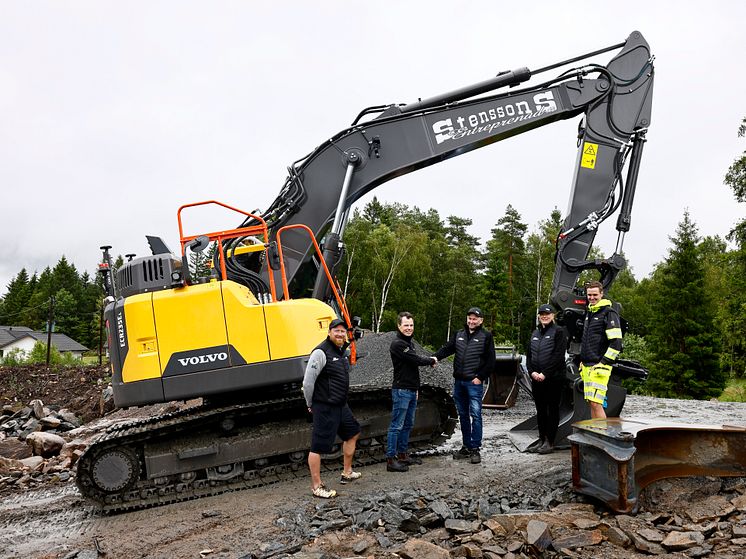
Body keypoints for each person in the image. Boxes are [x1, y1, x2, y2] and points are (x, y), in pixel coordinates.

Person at [302, 318, 362, 498]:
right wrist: (310, 403)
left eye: (343, 331)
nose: (340, 334)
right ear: (329, 333)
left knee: (353, 432)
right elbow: (307, 382)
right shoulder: (321, 352)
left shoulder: (342, 351)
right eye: (336, 330)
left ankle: (347, 472)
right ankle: (317, 487)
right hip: (325, 405)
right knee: (318, 446)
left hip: (340, 404)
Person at [435, 306, 496, 464]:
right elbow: (448, 349)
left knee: (475, 415)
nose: (471, 320)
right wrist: (435, 358)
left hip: (473, 383)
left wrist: (480, 377)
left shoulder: (486, 336)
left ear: (480, 320)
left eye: (475, 318)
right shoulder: (459, 335)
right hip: (459, 383)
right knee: (463, 415)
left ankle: (475, 449)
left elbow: (491, 361)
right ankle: (466, 446)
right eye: (469, 318)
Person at [386, 311, 438, 473]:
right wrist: (431, 360)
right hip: (401, 390)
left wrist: (415, 389)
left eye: (411, 325)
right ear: (399, 326)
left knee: (407, 425)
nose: (409, 328)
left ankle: (402, 455)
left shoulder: (410, 343)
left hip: (410, 390)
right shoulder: (398, 344)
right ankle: (391, 459)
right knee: (396, 426)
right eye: (406, 325)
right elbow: (414, 360)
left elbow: (412, 369)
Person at [525, 304, 567, 454]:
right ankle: (541, 439)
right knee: (540, 410)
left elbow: (558, 356)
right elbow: (529, 355)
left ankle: (550, 442)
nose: (544, 316)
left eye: (547, 314)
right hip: (537, 378)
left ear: (553, 315)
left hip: (553, 378)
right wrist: (532, 372)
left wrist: (545, 373)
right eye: (542, 314)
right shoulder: (535, 333)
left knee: (552, 409)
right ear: (539, 316)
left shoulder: (559, 332)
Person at [579, 281, 623, 419]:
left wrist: (603, 362)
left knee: (597, 403)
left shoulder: (609, 313)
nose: (592, 298)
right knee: (592, 403)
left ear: (602, 294)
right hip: (587, 366)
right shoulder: (589, 312)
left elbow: (616, 342)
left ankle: (601, 436)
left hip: (599, 366)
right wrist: (582, 360)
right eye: (589, 295)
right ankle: (595, 432)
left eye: (595, 295)